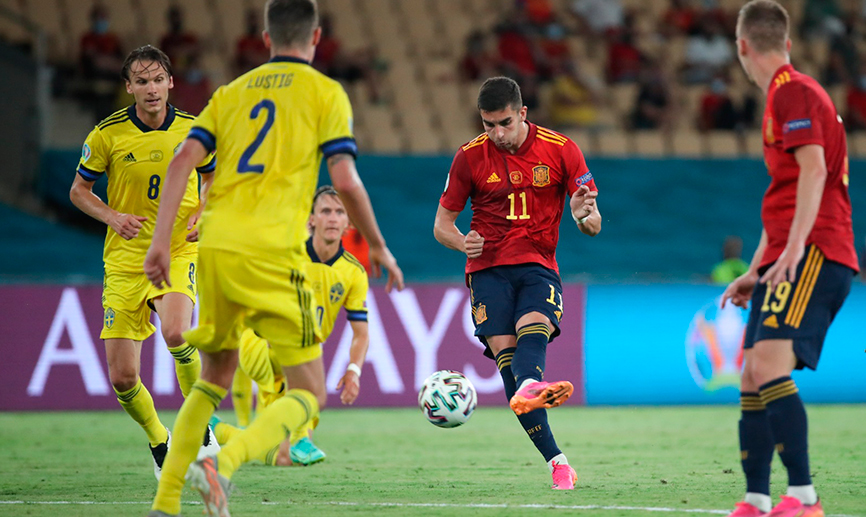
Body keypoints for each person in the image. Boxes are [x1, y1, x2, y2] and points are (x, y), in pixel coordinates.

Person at [143, 1, 403, 515]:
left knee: (212, 378)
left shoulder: (230, 93)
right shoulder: (325, 92)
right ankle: (224, 462)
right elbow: (345, 179)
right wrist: (376, 243)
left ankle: (166, 502)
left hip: (215, 245)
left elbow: (182, 161)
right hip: (274, 251)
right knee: (309, 391)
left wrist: (159, 241)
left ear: (265, 39)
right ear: (316, 37)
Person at [721, 2, 858, 516]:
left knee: (768, 365)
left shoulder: (792, 91)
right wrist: (756, 269)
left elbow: (814, 171)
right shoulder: (786, 94)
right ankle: (757, 498)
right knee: (752, 374)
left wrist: (796, 248)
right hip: (789, 253)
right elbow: (784, 195)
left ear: (742, 47)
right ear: (787, 43)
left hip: (816, 250)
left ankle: (804, 497)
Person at [433, 76, 601, 491]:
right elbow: (441, 225)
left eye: (505, 123)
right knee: (510, 366)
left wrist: (581, 215)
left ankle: (532, 394)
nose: (497, 133)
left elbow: (593, 224)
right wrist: (462, 242)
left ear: (523, 113)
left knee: (534, 328)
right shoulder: (469, 157)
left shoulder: (562, 150)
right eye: (488, 124)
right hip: (487, 270)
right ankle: (558, 460)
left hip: (538, 264)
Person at [69, 44, 219, 481]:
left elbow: (212, 175)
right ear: (128, 87)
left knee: (176, 331)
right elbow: (79, 190)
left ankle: (200, 425)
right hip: (124, 261)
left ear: (170, 82)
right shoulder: (107, 134)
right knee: (122, 377)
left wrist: (203, 210)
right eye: (141, 81)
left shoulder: (195, 130)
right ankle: (159, 440)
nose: (151, 89)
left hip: (177, 249)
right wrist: (112, 216)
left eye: (157, 80)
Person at [212, 185, 370, 467]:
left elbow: (361, 333)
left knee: (279, 456)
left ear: (348, 222)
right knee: (308, 383)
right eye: (325, 211)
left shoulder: (353, 272)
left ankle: (220, 431)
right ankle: (299, 439)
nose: (333, 218)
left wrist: (354, 371)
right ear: (311, 219)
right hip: (260, 342)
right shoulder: (288, 255)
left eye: (339, 212)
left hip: (301, 353)